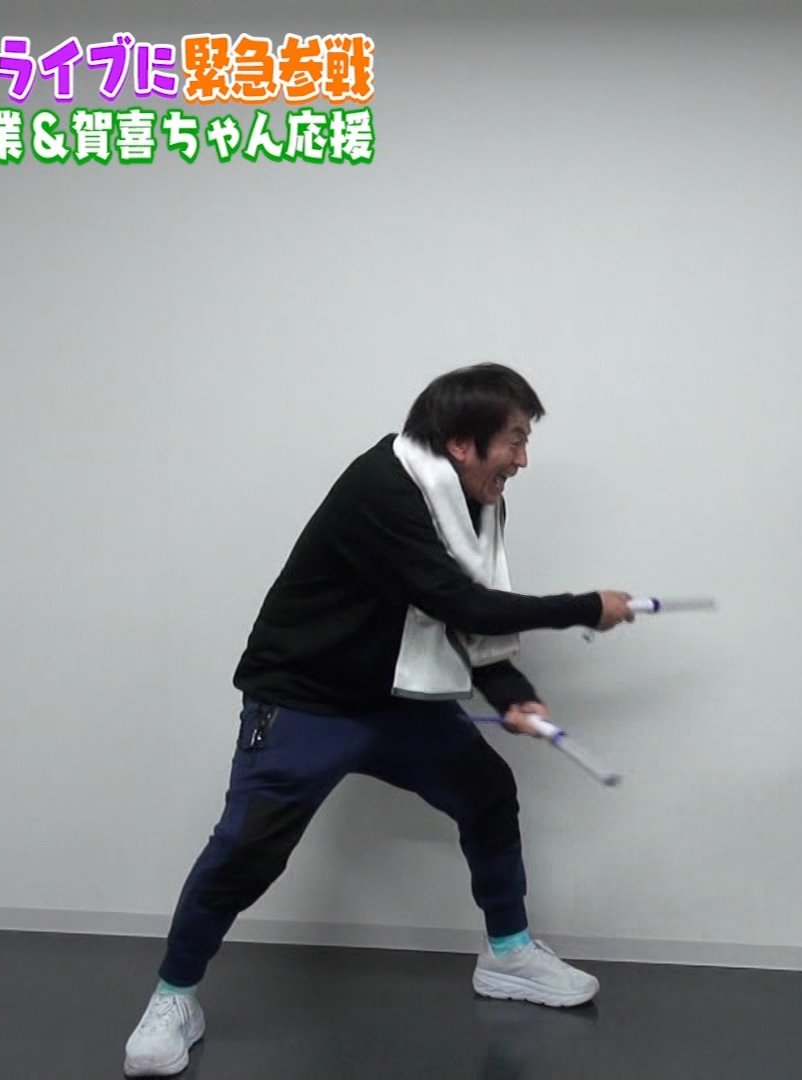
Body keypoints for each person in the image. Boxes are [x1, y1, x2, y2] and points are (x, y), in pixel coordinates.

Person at [122, 363, 638, 1078]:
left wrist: (510, 692)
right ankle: (174, 998)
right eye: (516, 440)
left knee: (487, 791)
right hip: (305, 697)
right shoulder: (381, 488)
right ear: (461, 443)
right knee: (246, 848)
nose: (523, 459)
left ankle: (509, 953)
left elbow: (466, 612)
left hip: (396, 697)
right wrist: (585, 607)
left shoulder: (480, 504)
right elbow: (459, 602)